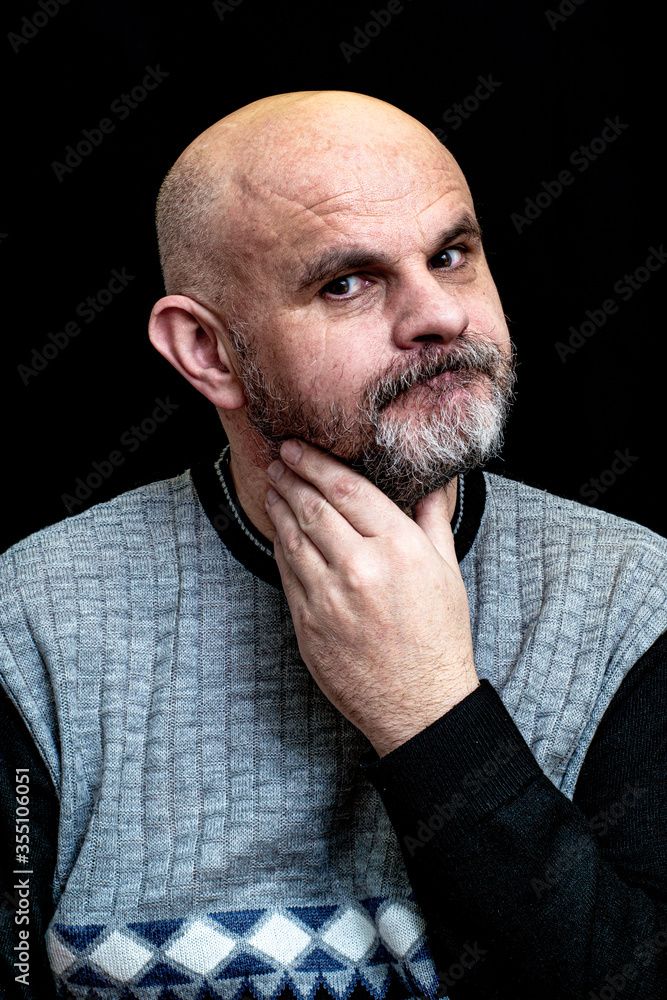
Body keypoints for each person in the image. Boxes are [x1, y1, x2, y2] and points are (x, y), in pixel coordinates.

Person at [1, 90, 666, 1000]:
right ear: (206, 351)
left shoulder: (633, 599)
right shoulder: (33, 622)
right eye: (346, 282)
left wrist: (431, 717)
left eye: (451, 255)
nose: (439, 315)